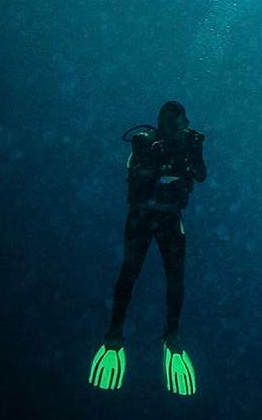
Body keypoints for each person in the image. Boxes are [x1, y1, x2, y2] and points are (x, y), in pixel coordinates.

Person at [89, 101, 207, 396]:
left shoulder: (188, 144)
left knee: (175, 278)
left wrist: (195, 151)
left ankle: (172, 338)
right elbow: (140, 178)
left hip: (169, 217)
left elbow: (201, 175)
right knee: (129, 273)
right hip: (142, 216)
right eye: (179, 124)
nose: (184, 128)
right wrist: (161, 161)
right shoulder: (145, 142)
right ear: (166, 125)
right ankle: (114, 337)